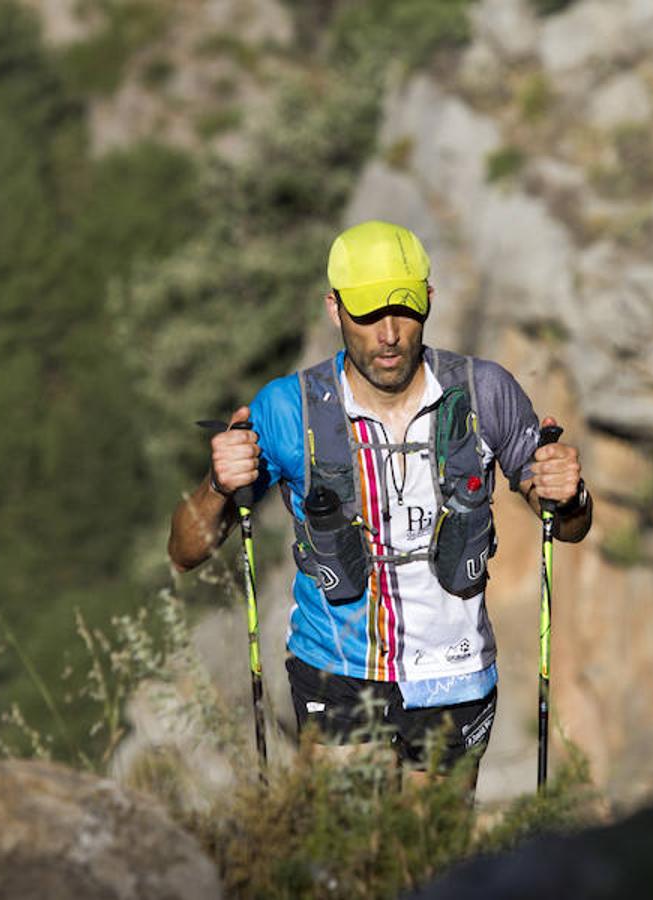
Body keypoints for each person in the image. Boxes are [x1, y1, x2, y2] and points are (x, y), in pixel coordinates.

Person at [168, 220, 591, 792]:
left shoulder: (485, 391)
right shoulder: (288, 409)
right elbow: (184, 551)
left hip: (456, 675)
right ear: (333, 309)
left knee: (433, 865)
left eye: (405, 310)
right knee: (352, 858)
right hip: (338, 671)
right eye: (367, 314)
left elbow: (565, 524)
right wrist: (219, 486)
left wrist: (569, 492)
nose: (388, 334)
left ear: (430, 302)